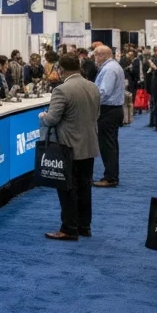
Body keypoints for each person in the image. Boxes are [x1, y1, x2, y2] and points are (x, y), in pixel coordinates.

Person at [40, 53, 100, 241]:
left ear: (61, 69)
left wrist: (42, 116)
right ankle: (84, 226)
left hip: (68, 147)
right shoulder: (93, 86)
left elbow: (52, 119)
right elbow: (96, 114)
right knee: (84, 187)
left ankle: (68, 228)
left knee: (67, 189)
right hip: (89, 145)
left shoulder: (61, 90)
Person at [92, 45, 125, 188]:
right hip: (112, 110)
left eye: (95, 55)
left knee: (108, 146)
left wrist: (91, 102)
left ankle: (110, 178)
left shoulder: (109, 69)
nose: (94, 59)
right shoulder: (113, 66)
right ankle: (111, 175)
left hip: (108, 111)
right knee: (110, 145)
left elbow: (104, 92)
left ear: (102, 55)